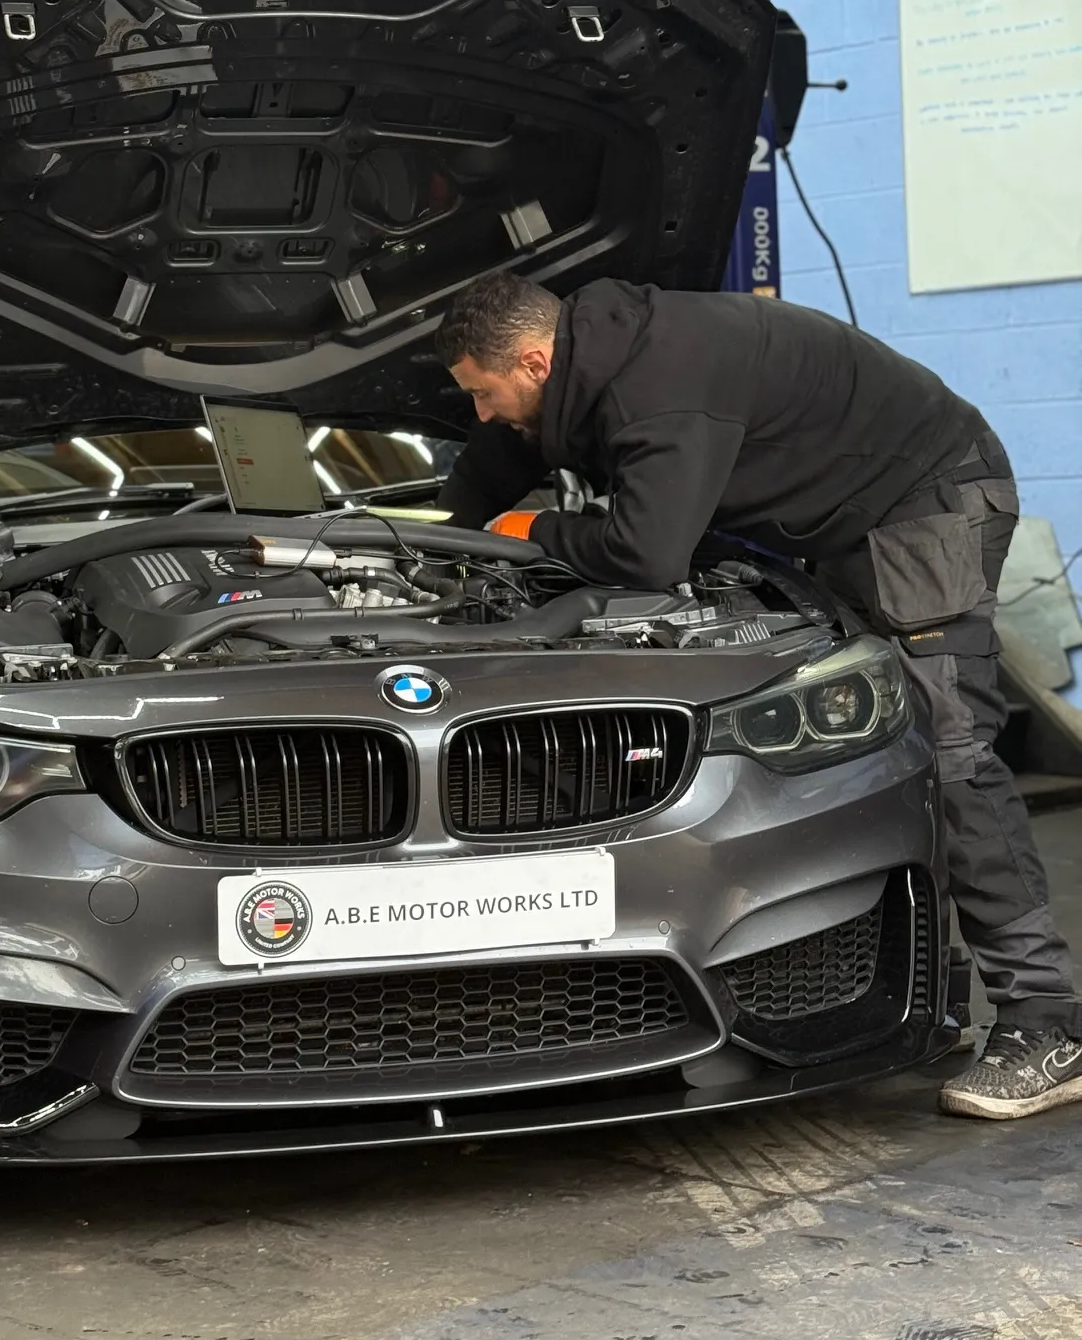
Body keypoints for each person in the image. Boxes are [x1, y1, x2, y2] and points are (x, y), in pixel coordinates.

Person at [433, 270, 1082, 1121]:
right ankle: (930, 998)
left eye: (484, 393)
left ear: (534, 360)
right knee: (878, 748)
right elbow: (500, 454)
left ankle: (1047, 1023)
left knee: (950, 752)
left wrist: (530, 531)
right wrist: (445, 538)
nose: (480, 413)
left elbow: (647, 553)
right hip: (852, 521)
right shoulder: (588, 365)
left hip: (928, 502)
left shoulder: (655, 383)